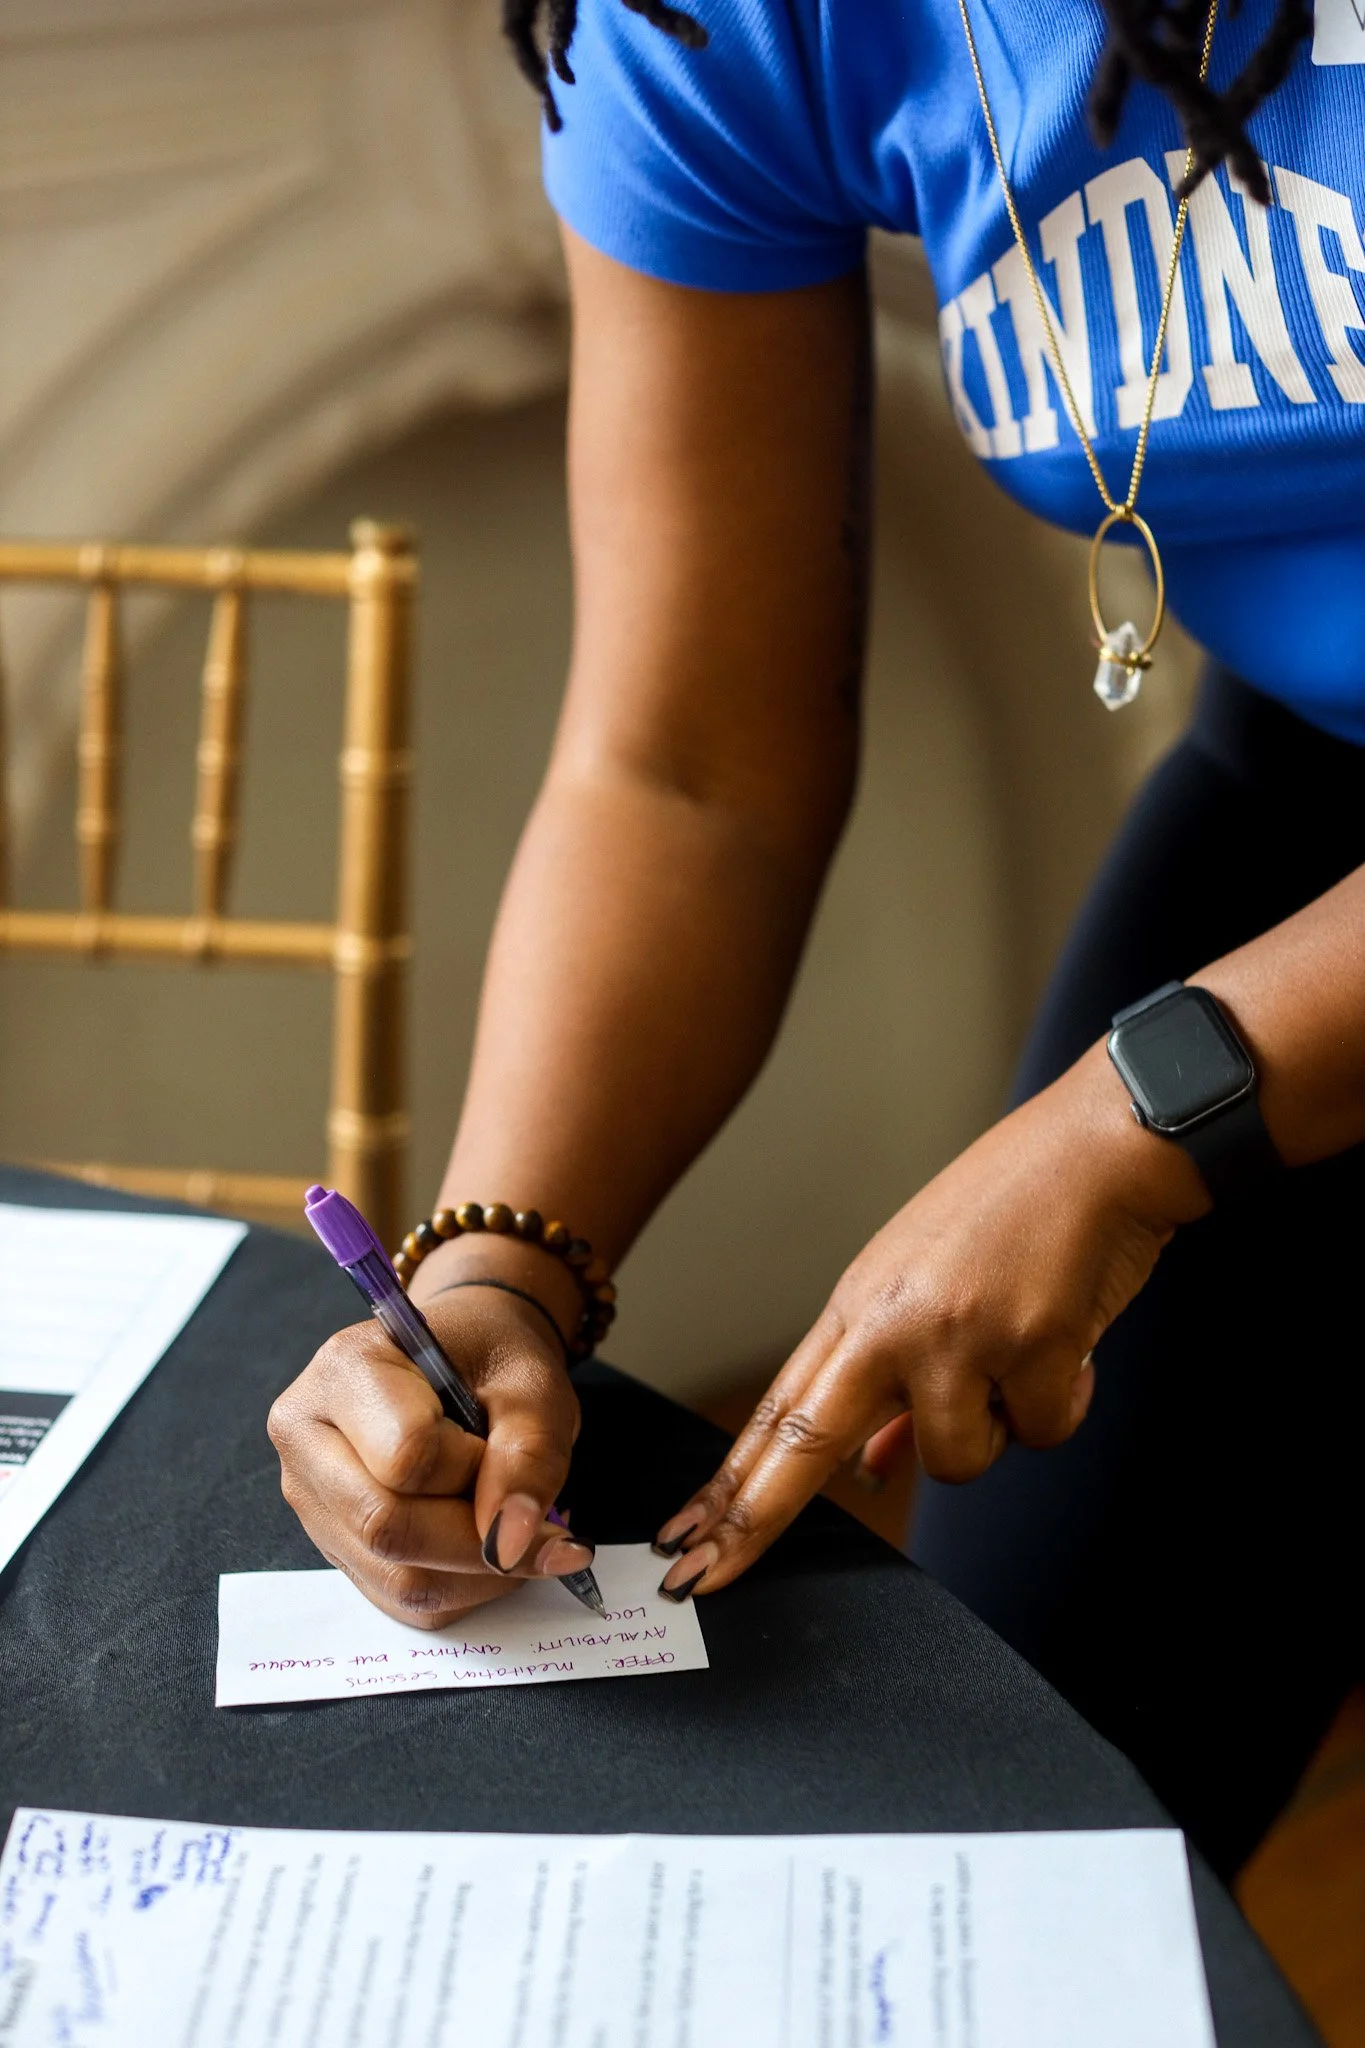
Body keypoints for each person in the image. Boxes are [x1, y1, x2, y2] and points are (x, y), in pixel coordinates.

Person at [267, 0, 1365, 1879]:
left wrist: (1137, 1118)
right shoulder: (718, 21)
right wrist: (496, 1273)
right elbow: (690, 768)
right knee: (1027, 1828)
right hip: (1310, 796)